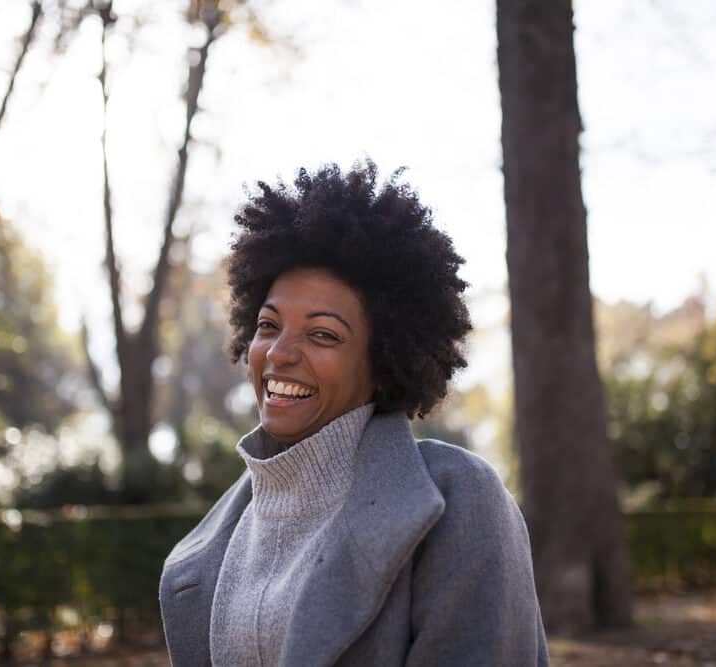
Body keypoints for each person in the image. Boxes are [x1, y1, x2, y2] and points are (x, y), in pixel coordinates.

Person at [159, 162, 549, 666]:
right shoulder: (219, 535)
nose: (278, 353)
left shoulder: (460, 500)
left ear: (384, 362)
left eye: (322, 334)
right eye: (268, 325)